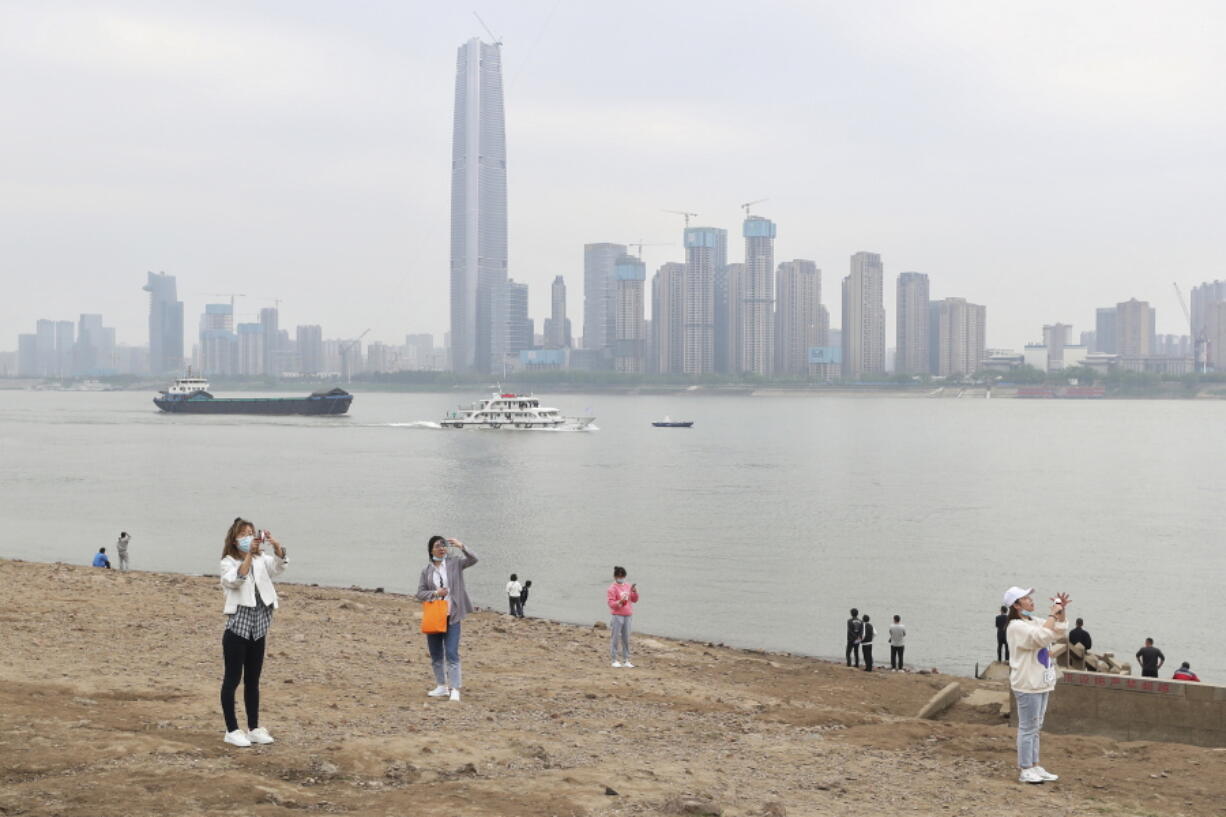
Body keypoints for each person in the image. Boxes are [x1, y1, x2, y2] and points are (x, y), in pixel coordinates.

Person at [218, 519, 287, 748]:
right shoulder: (228, 562)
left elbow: (278, 567)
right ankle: (232, 729)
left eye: (251, 533)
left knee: (253, 681)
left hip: (259, 628)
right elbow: (235, 581)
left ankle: (254, 727)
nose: (249, 537)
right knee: (232, 680)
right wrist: (249, 556)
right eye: (244, 534)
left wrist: (276, 546)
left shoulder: (261, 560)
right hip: (237, 629)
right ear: (235, 539)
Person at [1004, 585, 1069, 785]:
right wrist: (1051, 615)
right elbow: (1040, 638)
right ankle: (1025, 769)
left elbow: (1058, 631)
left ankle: (1035, 765)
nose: (1031, 601)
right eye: (1026, 598)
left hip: (1041, 681)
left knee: (1036, 727)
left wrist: (1060, 612)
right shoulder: (1016, 626)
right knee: (1027, 727)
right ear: (1016, 605)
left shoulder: (1033, 621)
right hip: (1027, 683)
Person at [416, 536, 478, 702]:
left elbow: (474, 559)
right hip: (435, 616)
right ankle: (441, 686)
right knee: (436, 654)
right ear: (431, 550)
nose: (442, 548)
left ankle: (455, 688)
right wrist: (436, 593)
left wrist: (461, 545)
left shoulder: (455, 564)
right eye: (438, 546)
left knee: (451, 653)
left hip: (453, 615)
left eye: (444, 545)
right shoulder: (427, 571)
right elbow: (420, 594)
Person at [607, 566, 639, 668]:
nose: (621, 578)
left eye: (623, 576)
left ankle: (626, 660)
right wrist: (619, 602)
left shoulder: (628, 586)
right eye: (619, 576)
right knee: (615, 638)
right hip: (617, 616)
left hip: (628, 615)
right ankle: (614, 659)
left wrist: (634, 591)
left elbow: (634, 600)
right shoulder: (612, 588)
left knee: (626, 638)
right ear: (615, 576)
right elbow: (611, 604)